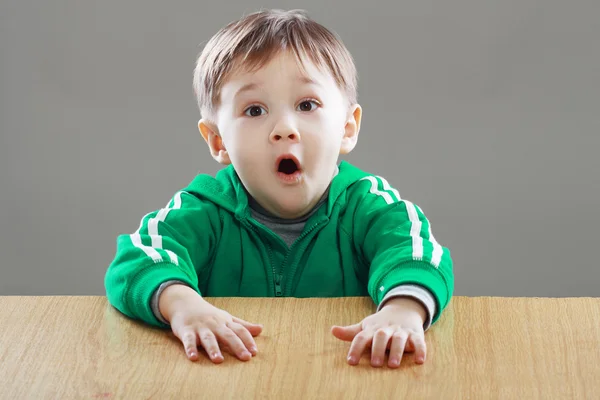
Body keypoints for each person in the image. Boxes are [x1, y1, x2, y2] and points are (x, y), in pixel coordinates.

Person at [104, 9, 454, 369]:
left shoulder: (371, 205)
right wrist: (183, 306)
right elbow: (138, 256)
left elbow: (417, 252)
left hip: (342, 372)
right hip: (231, 375)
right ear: (218, 140)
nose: (285, 128)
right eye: (255, 110)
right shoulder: (203, 210)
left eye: (307, 105)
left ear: (347, 128)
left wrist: (402, 310)